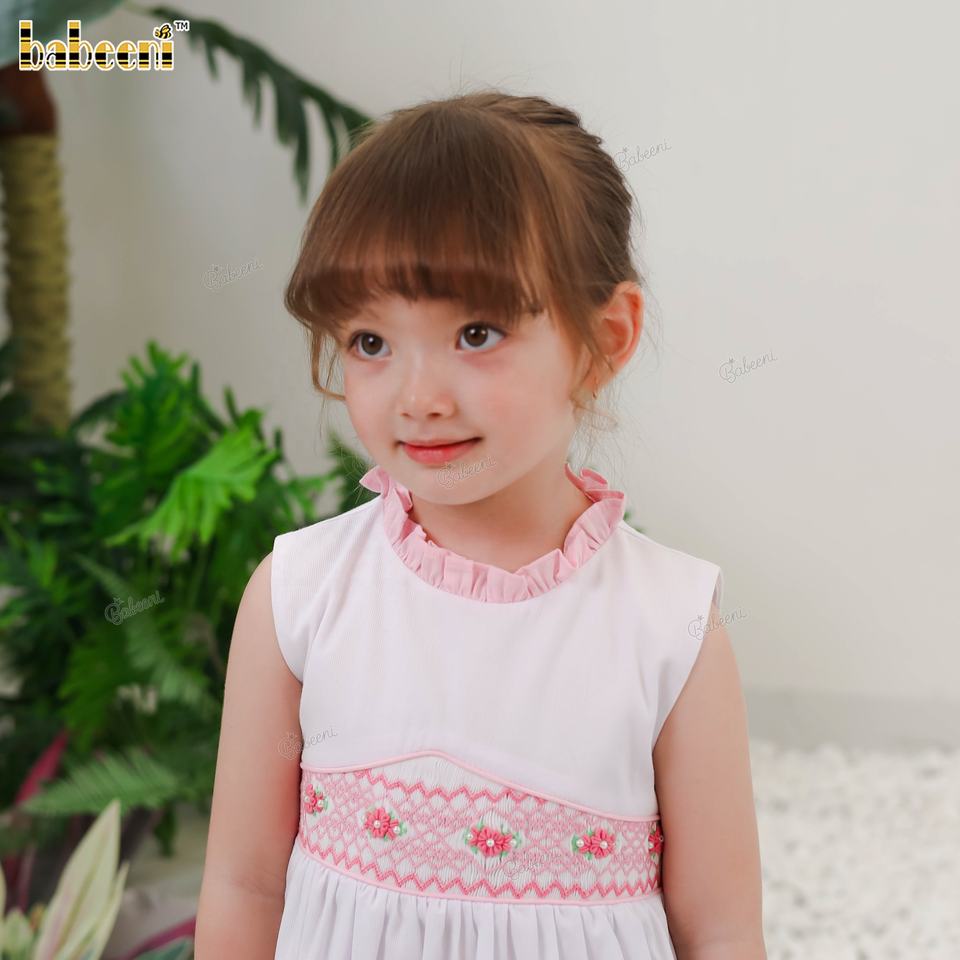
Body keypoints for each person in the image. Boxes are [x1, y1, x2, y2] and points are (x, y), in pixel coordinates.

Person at [195, 89, 766, 960]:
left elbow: (718, 929)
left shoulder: (671, 624)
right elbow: (246, 882)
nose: (419, 398)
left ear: (605, 339)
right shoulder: (300, 594)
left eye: (476, 332)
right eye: (370, 342)